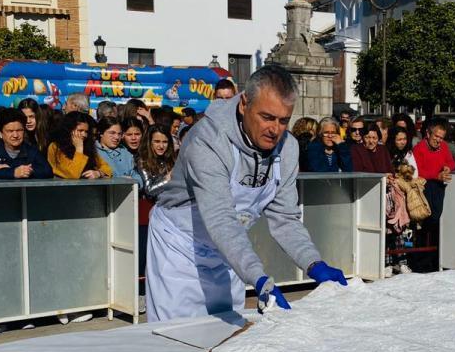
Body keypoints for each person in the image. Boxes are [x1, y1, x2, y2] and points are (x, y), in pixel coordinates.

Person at [146, 65, 346, 320]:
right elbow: (220, 216)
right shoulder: (208, 139)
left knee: (227, 340)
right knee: (175, 337)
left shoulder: (287, 149)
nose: (275, 129)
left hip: (229, 251)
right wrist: (258, 277)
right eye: (267, 117)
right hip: (179, 249)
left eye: (284, 120)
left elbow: (284, 218)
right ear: (244, 104)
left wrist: (313, 263)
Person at [412, 117, 455, 222]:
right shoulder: (419, 148)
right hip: (425, 187)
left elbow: (452, 163)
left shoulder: (444, 146)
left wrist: (448, 168)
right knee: (429, 218)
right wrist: (436, 176)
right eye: (436, 136)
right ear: (428, 134)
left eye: (441, 138)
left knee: (437, 217)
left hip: (440, 186)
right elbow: (418, 171)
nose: (438, 140)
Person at [48, 111, 112, 180]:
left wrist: (98, 173)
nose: (84, 135)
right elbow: (73, 174)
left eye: (86, 131)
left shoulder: (88, 147)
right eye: (80, 130)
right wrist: (79, 148)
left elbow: (107, 168)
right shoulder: (56, 147)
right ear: (69, 130)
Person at [137, 125, 175, 200]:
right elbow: (149, 190)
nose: (161, 146)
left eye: (165, 142)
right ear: (149, 142)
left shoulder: (172, 159)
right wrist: (168, 178)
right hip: (152, 207)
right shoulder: (143, 161)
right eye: (157, 141)